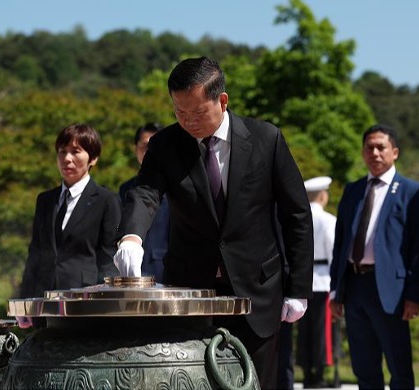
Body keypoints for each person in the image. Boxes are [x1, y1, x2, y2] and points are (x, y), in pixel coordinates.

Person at [113, 56, 313, 388]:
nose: (188, 121)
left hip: (256, 292)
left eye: (197, 112)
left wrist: (299, 290)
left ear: (222, 100)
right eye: (179, 112)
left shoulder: (266, 139)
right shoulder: (165, 145)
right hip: (191, 293)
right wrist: (131, 237)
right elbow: (145, 193)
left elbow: (296, 215)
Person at [330, 124, 419, 389]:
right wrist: (335, 291)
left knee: (399, 369)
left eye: (381, 147)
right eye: (369, 148)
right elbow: (341, 243)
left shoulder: (412, 192)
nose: (374, 153)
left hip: (391, 291)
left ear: (394, 152)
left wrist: (414, 295)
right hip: (354, 286)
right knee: (364, 368)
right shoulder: (353, 190)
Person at [17, 123, 121, 328]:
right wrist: (25, 301)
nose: (66, 159)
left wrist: (106, 304)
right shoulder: (45, 200)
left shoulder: (106, 200)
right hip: (44, 301)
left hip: (84, 303)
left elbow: (108, 258)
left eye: (75, 152)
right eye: (62, 152)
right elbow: (35, 253)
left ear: (93, 158)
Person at [297, 176, 337, 389]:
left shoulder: (300, 217)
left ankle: (306, 373)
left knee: (305, 330)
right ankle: (320, 373)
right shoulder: (328, 220)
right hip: (323, 280)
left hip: (303, 281)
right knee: (322, 331)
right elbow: (333, 252)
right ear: (323, 195)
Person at [118, 122, 168, 282]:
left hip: (164, 268)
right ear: (136, 148)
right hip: (130, 267)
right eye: (144, 146)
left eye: (153, 146)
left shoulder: (174, 186)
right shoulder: (125, 188)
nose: (148, 151)